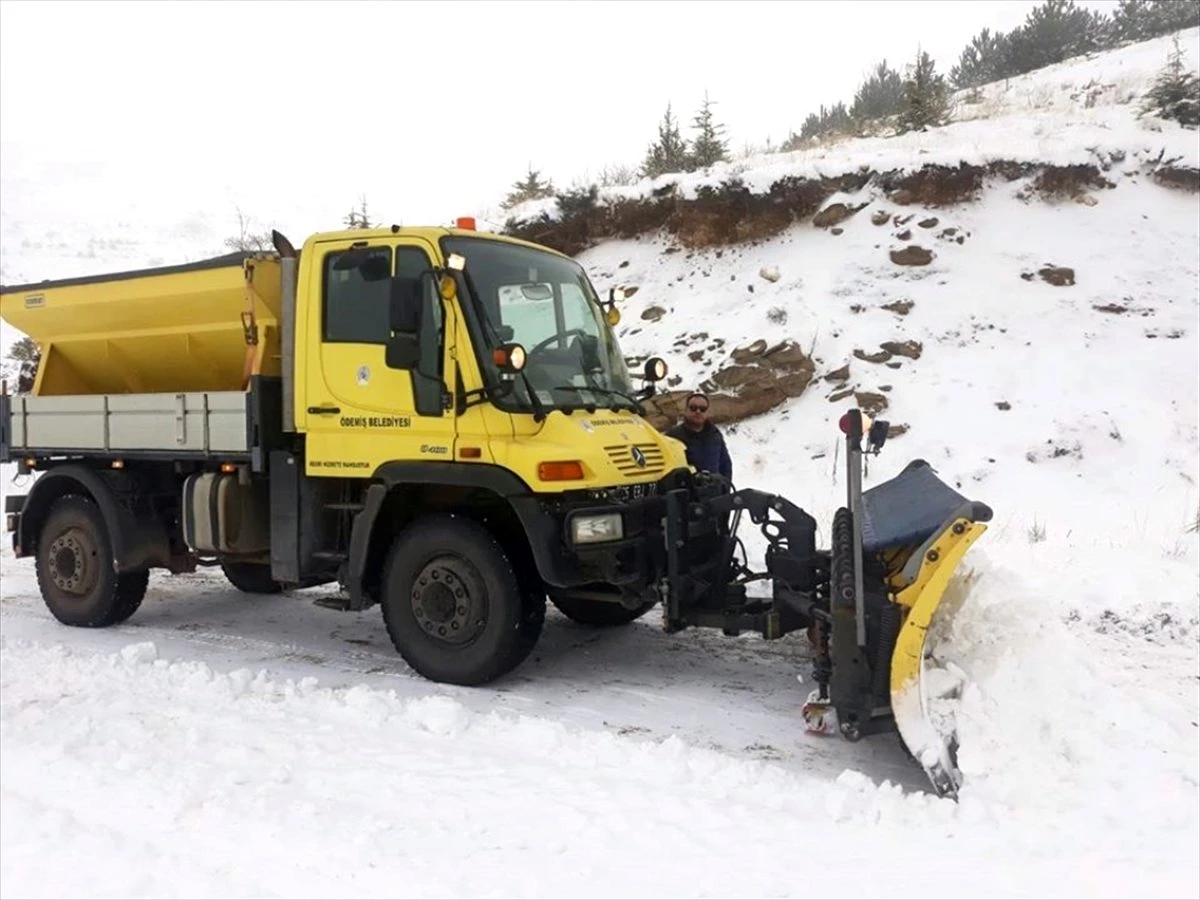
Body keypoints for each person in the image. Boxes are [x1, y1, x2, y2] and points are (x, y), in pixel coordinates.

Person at [666, 391, 733, 482]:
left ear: (707, 412)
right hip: (688, 493)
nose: (698, 412)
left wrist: (725, 487)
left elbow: (726, 465)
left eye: (702, 409)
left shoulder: (715, 434)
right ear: (685, 410)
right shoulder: (673, 437)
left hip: (715, 492)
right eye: (693, 408)